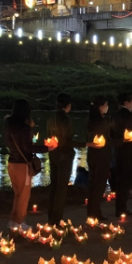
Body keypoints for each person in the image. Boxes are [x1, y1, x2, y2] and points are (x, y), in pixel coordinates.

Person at [6, 99, 52, 231]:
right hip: (22, 165)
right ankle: (19, 222)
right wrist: (47, 148)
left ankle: (13, 220)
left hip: (12, 163)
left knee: (17, 194)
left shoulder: (9, 125)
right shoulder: (24, 128)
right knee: (24, 194)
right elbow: (28, 148)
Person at [47, 93, 80, 224]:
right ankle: (57, 218)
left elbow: (50, 138)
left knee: (54, 186)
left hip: (53, 154)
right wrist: (85, 144)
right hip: (64, 156)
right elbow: (68, 140)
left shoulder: (51, 119)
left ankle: (51, 216)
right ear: (68, 106)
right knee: (61, 188)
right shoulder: (65, 120)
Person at [110, 92, 132, 217]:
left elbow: (111, 134)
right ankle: (121, 208)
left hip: (118, 150)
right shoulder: (131, 116)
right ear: (127, 103)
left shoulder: (114, 116)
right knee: (126, 180)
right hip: (129, 150)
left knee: (119, 178)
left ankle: (119, 206)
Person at [86, 95, 111, 220]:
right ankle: (95, 212)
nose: (107, 107)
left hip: (92, 155)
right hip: (102, 156)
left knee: (92, 184)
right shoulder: (103, 122)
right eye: (106, 105)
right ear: (101, 107)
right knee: (99, 185)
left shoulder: (90, 120)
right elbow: (108, 139)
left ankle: (91, 211)